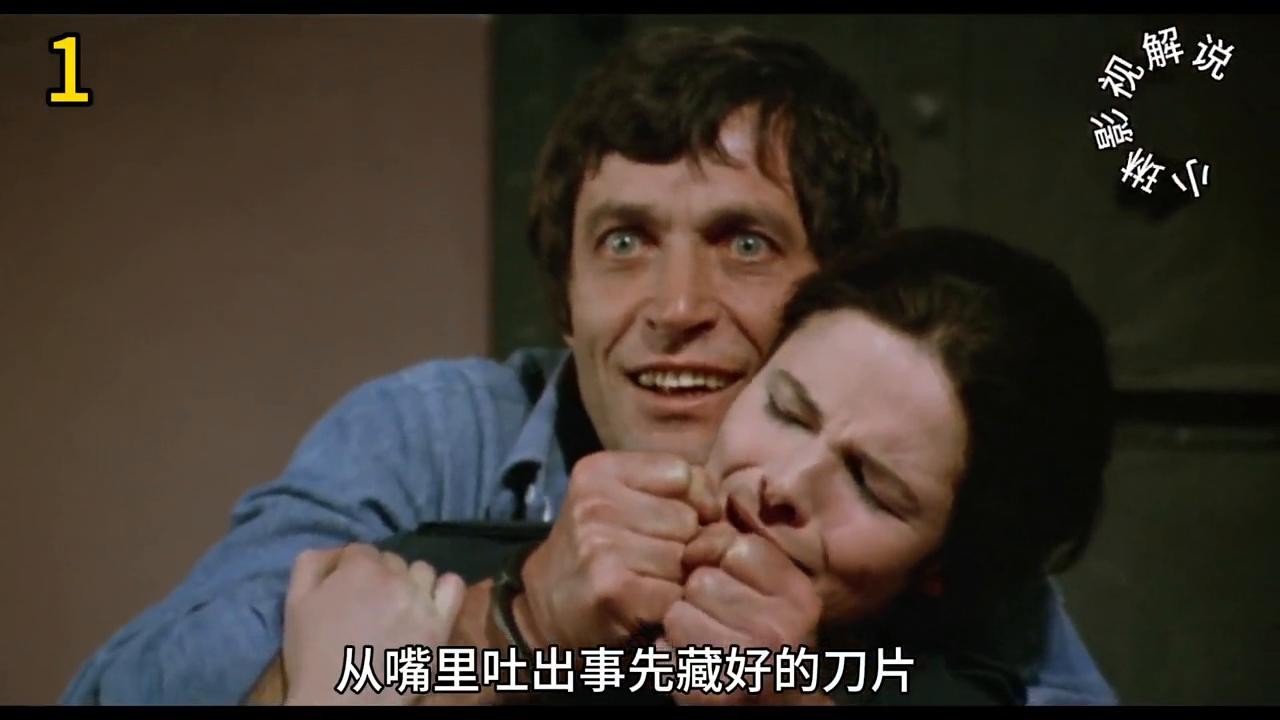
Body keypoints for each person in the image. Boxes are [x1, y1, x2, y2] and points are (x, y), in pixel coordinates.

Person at [60, 25, 1116, 705]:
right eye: (622, 242)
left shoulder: (945, 499)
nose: (674, 308)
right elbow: (126, 690)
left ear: (835, 292)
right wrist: (511, 621)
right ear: (565, 302)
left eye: (744, 242)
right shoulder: (434, 437)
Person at [268, 226, 1115, 706]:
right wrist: (523, 627)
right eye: (786, 410)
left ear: (939, 568)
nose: (784, 483)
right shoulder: (436, 569)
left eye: (869, 484)